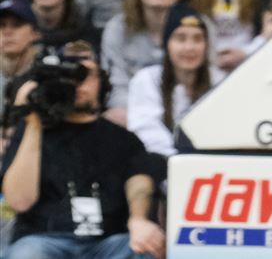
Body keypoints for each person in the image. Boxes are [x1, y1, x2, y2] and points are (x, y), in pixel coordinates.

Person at [1, 39, 165, 259]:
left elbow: (140, 181)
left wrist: (138, 220)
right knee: (28, 254)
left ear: (101, 82)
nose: (76, 83)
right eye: (67, 76)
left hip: (108, 242)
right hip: (45, 239)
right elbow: (19, 201)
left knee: (142, 248)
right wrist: (33, 121)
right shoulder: (33, 131)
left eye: (84, 74)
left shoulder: (123, 139)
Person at [100, 0, 189, 127]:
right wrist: (142, 116)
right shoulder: (117, 28)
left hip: (183, 113)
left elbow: (205, 79)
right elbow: (116, 85)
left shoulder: (198, 27)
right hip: (131, 113)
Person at [126, 2, 221, 160]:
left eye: (197, 39)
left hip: (211, 167)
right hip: (163, 165)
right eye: (180, 39)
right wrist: (181, 161)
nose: (190, 47)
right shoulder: (147, 79)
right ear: (167, 44)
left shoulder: (220, 81)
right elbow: (146, 131)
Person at [0, 0, 38, 118]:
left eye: (17, 25)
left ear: (34, 33)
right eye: (1, 25)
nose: (7, 32)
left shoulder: (43, 73)